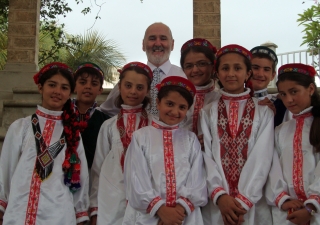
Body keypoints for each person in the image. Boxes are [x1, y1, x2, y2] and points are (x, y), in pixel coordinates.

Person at [0, 62, 89, 225]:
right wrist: (2, 205)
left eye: (64, 87)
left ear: (70, 93)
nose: (57, 91)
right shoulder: (21, 127)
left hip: (59, 215)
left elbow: (81, 177)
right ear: (40, 87)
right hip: (19, 213)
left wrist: (80, 213)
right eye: (52, 85)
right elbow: (6, 169)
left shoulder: (72, 134)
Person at [200, 44, 274, 225]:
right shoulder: (208, 112)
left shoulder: (263, 112)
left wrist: (244, 201)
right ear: (217, 73)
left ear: (248, 73)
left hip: (253, 202)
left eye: (238, 68)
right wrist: (220, 196)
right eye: (225, 68)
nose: (231, 73)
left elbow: (262, 158)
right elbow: (206, 157)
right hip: (218, 203)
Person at [123, 76, 207, 225]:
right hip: (148, 216)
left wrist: (177, 212)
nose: (175, 111)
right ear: (158, 102)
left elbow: (197, 179)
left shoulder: (190, 139)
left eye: (182, 107)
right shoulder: (141, 137)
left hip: (184, 217)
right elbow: (136, 179)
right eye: (170, 104)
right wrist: (161, 210)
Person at [89, 62, 153, 225]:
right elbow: (98, 168)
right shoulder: (108, 126)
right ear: (120, 86)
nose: (133, 91)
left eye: (139, 87)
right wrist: (95, 207)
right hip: (112, 199)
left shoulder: (155, 125)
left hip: (148, 200)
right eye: (128, 85)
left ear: (147, 91)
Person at [266, 63, 320, 225]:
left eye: (294, 92)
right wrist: (283, 199)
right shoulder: (280, 131)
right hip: (287, 213)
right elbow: (272, 167)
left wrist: (311, 206)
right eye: (283, 94)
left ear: (311, 89)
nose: (288, 99)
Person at [99, 22, 186, 117]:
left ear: (172, 44)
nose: (157, 43)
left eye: (163, 38)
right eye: (152, 38)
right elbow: (106, 111)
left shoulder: (184, 78)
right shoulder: (131, 76)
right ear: (143, 45)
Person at [72, 62, 110, 169]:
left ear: (100, 90)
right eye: (83, 82)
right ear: (74, 86)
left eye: (94, 84)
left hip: (92, 178)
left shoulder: (106, 121)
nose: (88, 86)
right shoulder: (61, 115)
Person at [179, 38, 220, 136]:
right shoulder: (177, 97)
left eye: (202, 64)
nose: (195, 70)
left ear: (213, 66)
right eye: (189, 66)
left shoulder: (221, 98)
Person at [250, 46, 290, 127]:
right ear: (246, 71)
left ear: (273, 75)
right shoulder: (228, 100)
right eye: (255, 68)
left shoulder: (281, 105)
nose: (260, 74)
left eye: (266, 69)